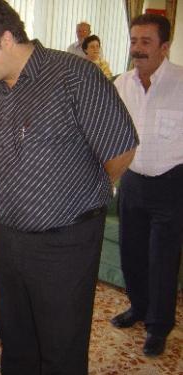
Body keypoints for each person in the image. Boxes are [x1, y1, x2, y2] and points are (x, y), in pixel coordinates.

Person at [0, 1, 138, 374]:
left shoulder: (75, 77)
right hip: (7, 239)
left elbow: (122, 148)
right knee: (15, 338)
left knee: (60, 344)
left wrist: (87, 185)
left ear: (7, 37)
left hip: (65, 241)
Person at [111, 14, 183, 357]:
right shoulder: (121, 84)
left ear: (164, 47)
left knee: (163, 259)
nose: (137, 49)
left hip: (172, 184)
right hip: (133, 181)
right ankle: (138, 307)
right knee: (132, 253)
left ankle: (158, 326)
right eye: (134, 41)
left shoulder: (182, 82)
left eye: (146, 42)